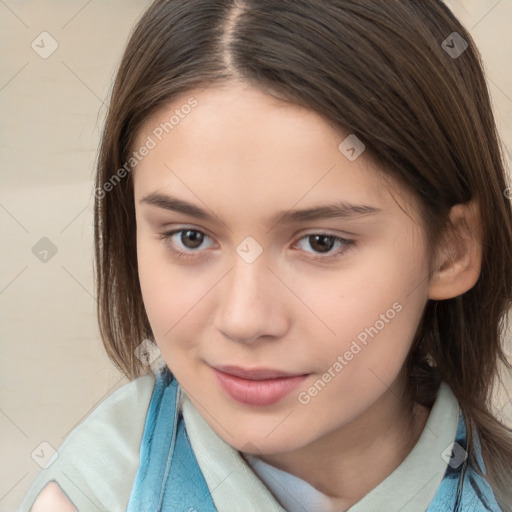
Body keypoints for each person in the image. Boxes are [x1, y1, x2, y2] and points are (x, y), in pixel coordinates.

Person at [18, 0, 512, 511]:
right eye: (190, 237)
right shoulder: (92, 494)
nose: (244, 319)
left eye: (321, 242)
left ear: (450, 250)